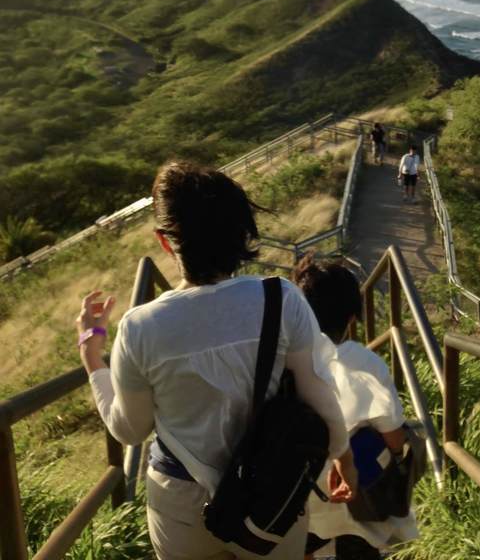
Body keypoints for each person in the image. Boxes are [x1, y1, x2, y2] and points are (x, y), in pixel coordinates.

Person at [76, 161, 357, 560]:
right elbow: (320, 398)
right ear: (240, 234)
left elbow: (130, 429)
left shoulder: (140, 327)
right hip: (273, 491)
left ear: (165, 240)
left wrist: (92, 355)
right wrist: (344, 459)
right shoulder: (282, 299)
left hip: (181, 503)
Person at [293, 255, 418, 560]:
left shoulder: (282, 360)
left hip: (294, 506)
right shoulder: (364, 362)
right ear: (352, 318)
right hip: (354, 509)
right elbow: (394, 439)